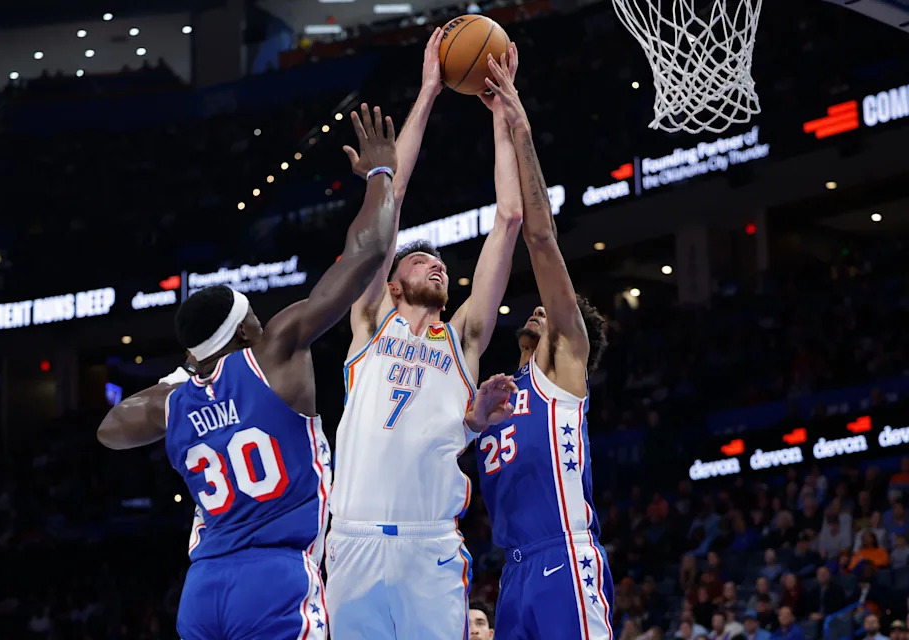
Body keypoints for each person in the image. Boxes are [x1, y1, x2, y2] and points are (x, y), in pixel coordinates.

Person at [95, 105, 401, 639]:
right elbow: (369, 249)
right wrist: (381, 173)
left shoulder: (170, 402)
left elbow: (110, 429)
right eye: (254, 320)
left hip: (203, 590)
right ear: (241, 333)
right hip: (274, 577)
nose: (264, 326)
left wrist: (182, 378)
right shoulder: (274, 353)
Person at [325, 34, 525, 639]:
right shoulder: (368, 320)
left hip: (429, 547)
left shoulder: (462, 338)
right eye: (418, 260)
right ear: (389, 283)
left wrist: (501, 117)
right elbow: (393, 199)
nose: (435, 263)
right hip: (352, 540)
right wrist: (430, 90)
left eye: (440, 263)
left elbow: (509, 219)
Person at [470, 49, 614, 640]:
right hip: (515, 572)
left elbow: (538, 235)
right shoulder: (501, 393)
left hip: (563, 559)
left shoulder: (564, 368)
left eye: (555, 313)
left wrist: (519, 124)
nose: (541, 307)